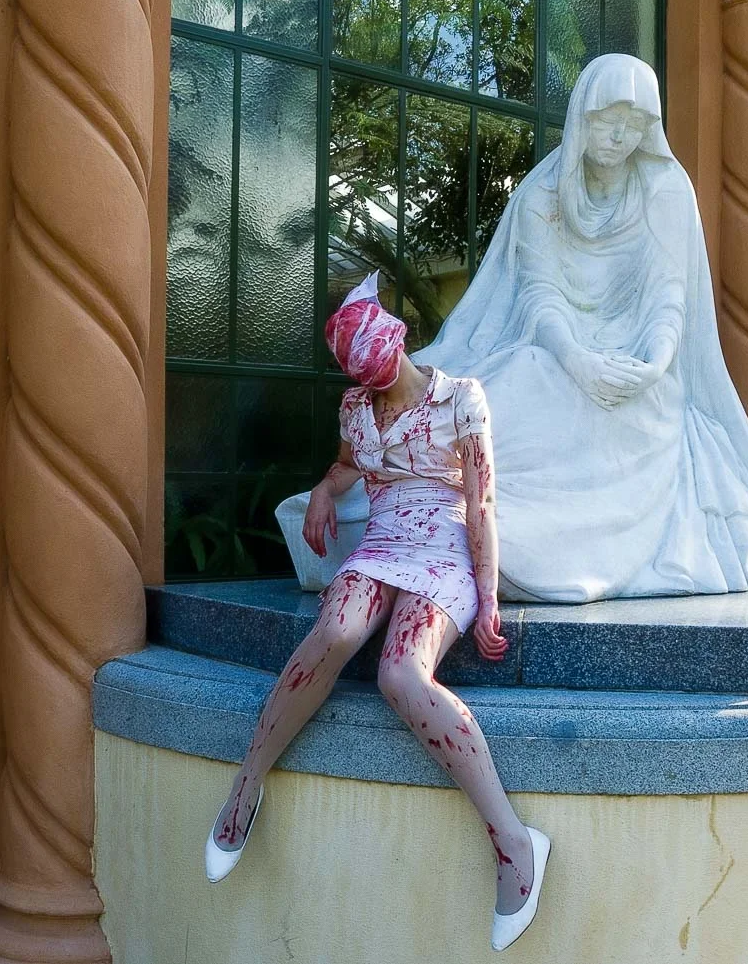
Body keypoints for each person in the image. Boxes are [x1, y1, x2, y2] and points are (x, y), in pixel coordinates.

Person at [414, 53, 748, 601]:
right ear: (583, 117)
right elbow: (539, 293)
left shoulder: (665, 190)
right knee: (507, 391)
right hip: (557, 354)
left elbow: (668, 295)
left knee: (652, 406)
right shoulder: (542, 196)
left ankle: (561, 549)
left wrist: (654, 363)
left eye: (634, 122)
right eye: (607, 119)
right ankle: (455, 520)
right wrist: (578, 360)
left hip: (640, 365)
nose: (619, 135)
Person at [206, 273, 551, 953]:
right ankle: (245, 788)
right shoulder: (356, 407)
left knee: (402, 675)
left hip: (443, 551)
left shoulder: (461, 399)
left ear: (397, 342)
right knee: (333, 630)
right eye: (367, 378)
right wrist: (321, 490)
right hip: (381, 543)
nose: (378, 387)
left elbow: (481, 503)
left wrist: (487, 597)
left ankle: (515, 844)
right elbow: (346, 465)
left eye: (383, 369)